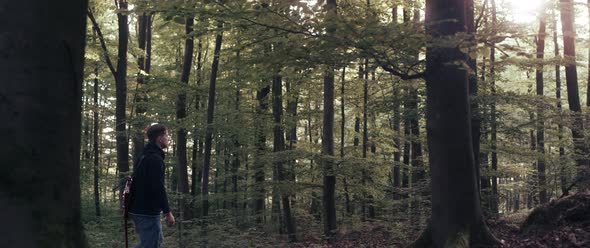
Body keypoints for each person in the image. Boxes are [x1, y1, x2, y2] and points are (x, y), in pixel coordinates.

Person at [129, 124, 175, 248]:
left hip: (140, 208)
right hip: (146, 211)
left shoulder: (145, 155)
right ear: (159, 138)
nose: (168, 138)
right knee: (150, 245)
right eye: (166, 135)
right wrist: (168, 212)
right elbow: (158, 187)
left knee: (155, 242)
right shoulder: (154, 159)